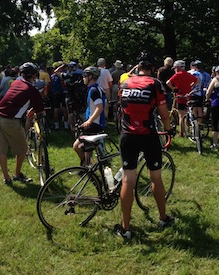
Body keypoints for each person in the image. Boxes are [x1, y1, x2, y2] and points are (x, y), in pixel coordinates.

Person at [115, 51, 175, 239]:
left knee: (128, 180)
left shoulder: (124, 83)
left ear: (138, 67)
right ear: (153, 68)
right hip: (148, 135)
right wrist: (169, 129)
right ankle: (163, 218)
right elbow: (164, 114)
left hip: (128, 135)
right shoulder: (155, 84)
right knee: (155, 178)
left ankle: (126, 228)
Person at [0, 62, 45, 184]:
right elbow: (41, 110)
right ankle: (17, 174)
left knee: (2, 149)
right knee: (22, 149)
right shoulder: (32, 90)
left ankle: (6, 178)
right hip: (11, 121)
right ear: (34, 76)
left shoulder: (16, 82)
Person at [72, 66, 106, 166]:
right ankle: (88, 166)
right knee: (88, 149)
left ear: (90, 76)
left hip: (93, 124)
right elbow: (105, 106)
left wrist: (89, 121)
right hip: (97, 122)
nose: (83, 78)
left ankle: (85, 165)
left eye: (85, 76)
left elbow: (99, 107)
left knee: (76, 146)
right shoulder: (98, 88)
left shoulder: (93, 90)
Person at [166, 60, 198, 137]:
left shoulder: (177, 75)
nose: (174, 70)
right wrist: (191, 86)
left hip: (180, 96)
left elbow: (167, 82)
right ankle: (187, 130)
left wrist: (174, 89)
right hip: (188, 96)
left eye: (175, 68)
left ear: (178, 67)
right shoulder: (188, 74)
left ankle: (181, 133)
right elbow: (197, 80)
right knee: (187, 114)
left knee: (181, 116)